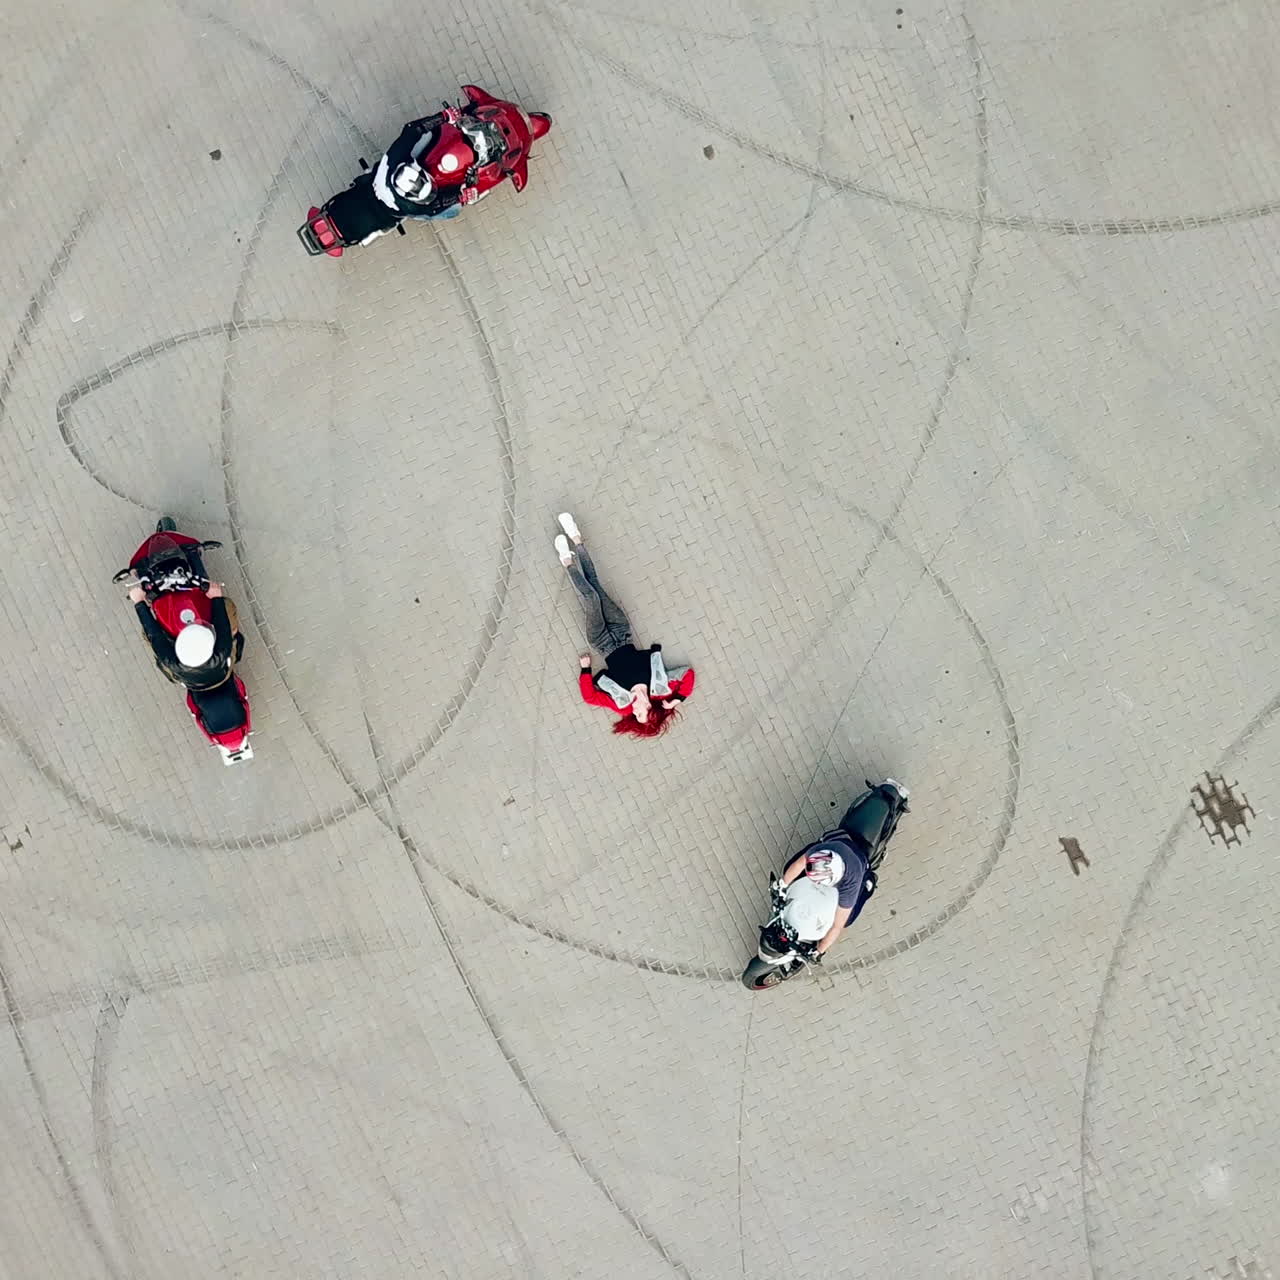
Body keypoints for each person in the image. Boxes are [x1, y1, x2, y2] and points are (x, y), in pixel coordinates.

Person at [555, 512, 695, 738]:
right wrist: (677, 699)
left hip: (602, 642)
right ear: (650, 708)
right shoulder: (658, 687)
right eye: (643, 713)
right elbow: (688, 674)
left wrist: (585, 670)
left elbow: (590, 697)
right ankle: (577, 539)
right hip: (622, 633)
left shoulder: (621, 704)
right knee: (597, 589)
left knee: (591, 598)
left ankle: (567, 561)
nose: (638, 712)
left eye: (638, 717)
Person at [370, 104, 501, 224]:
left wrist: (443, 116)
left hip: (384, 175)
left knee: (427, 137)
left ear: (414, 168)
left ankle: (456, 124)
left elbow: (413, 129)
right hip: (392, 207)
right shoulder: (412, 207)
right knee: (452, 211)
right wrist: (461, 196)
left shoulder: (396, 156)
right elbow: (435, 205)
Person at [128, 580, 243, 693]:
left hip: (196, 685)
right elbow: (222, 625)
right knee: (227, 606)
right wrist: (216, 597)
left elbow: (155, 636)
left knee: (146, 634)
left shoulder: (173, 663)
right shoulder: (221, 653)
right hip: (221, 675)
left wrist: (140, 603)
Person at [778, 832, 877, 959]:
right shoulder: (820, 854)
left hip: (857, 859)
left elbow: (837, 926)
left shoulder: (850, 886)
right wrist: (782, 885)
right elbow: (798, 865)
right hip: (839, 845)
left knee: (848, 919)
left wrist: (820, 950)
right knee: (789, 869)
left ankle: (869, 883)